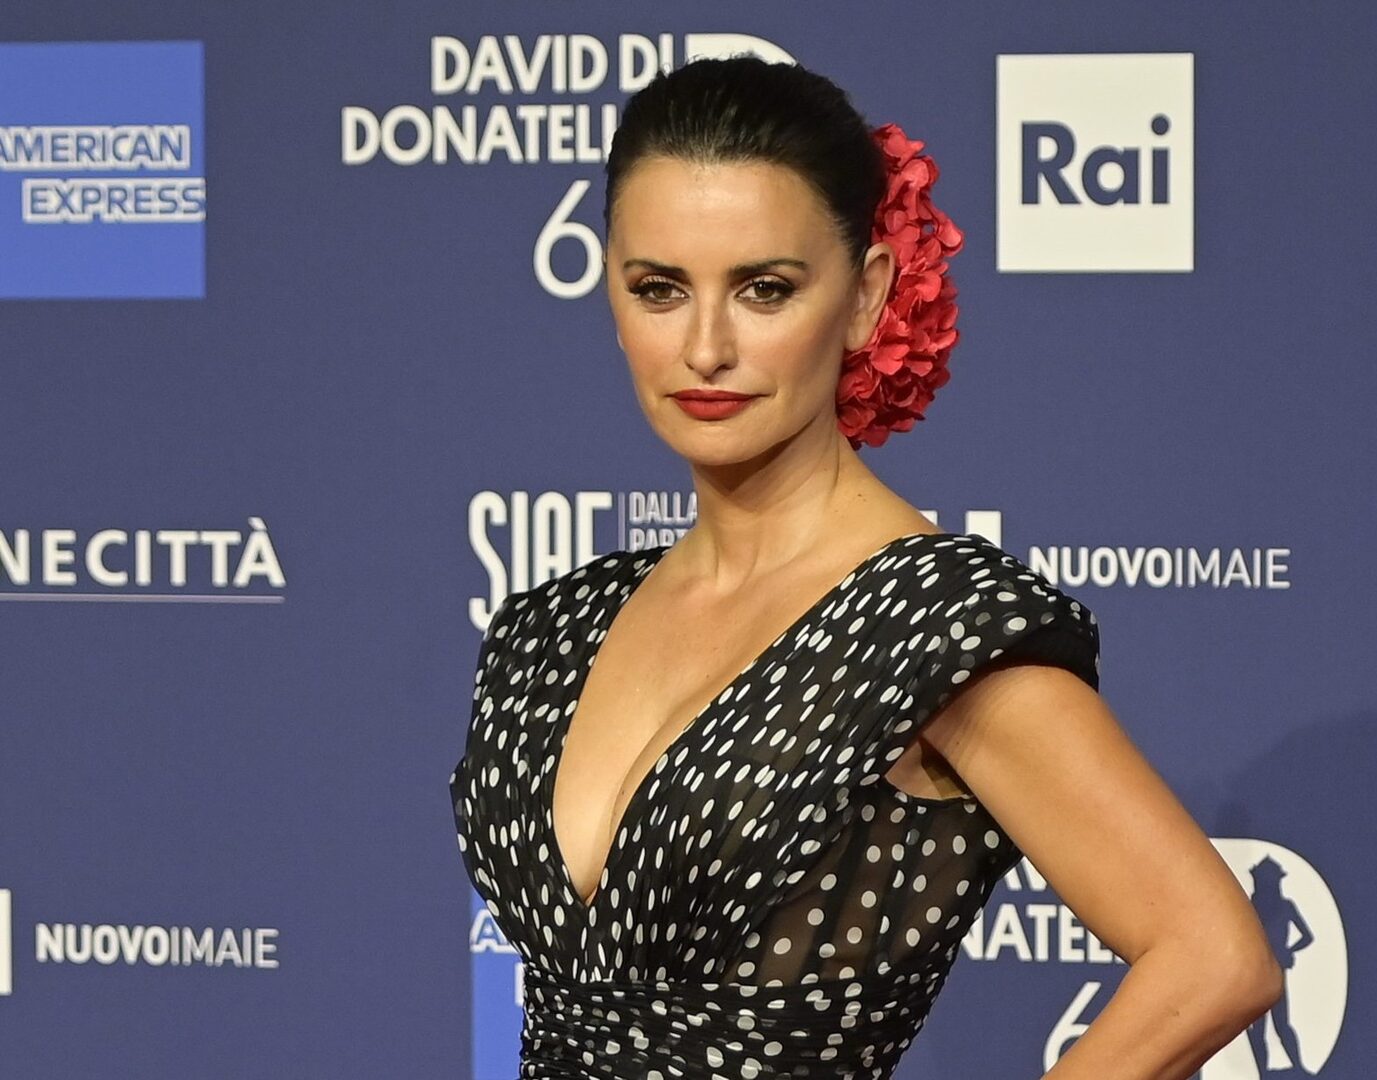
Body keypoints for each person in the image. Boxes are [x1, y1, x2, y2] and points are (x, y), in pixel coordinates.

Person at [450, 55, 1281, 1080]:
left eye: (764, 290)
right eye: (659, 289)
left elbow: (1213, 957)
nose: (705, 347)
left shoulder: (932, 626)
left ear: (865, 298)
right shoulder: (555, 627)